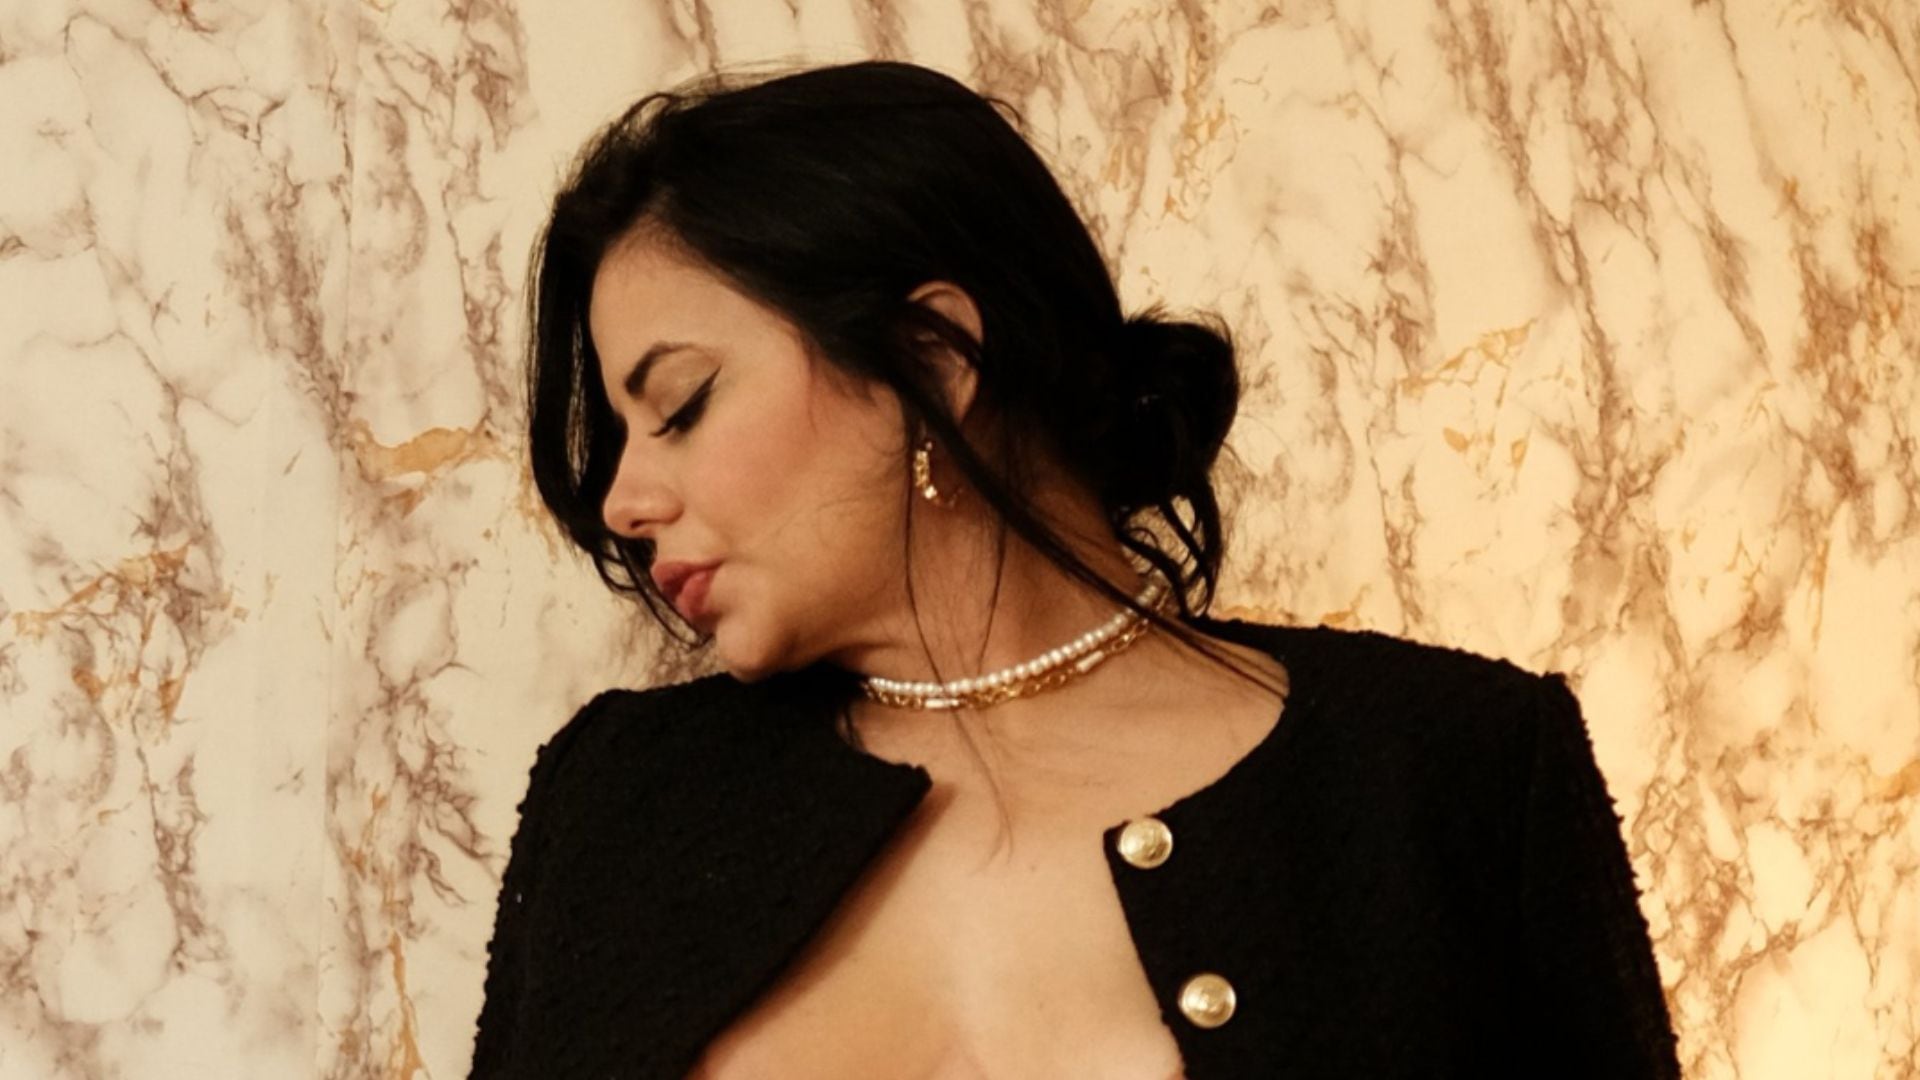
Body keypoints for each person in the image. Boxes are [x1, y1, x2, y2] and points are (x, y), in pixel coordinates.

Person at [471, 59, 1681, 1079]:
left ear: (933, 357)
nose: (625, 503)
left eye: (680, 405)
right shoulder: (618, 805)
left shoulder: (1453, 771)